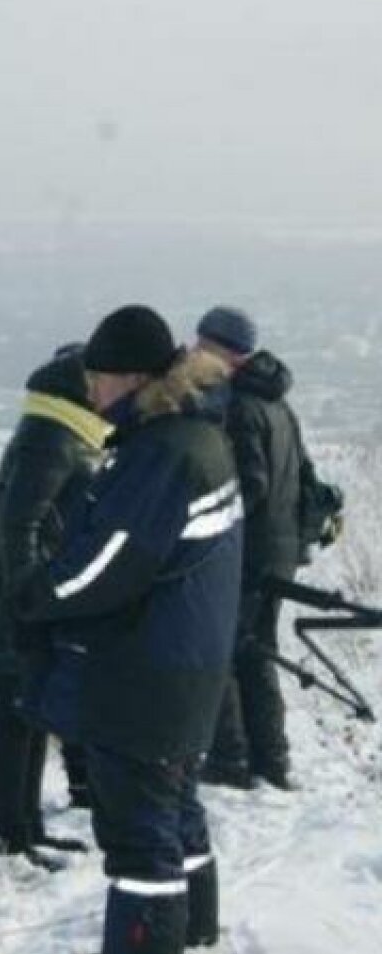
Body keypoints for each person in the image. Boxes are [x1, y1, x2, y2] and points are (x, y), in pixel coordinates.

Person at [12, 305, 243, 954]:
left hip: (148, 678)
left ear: (135, 377)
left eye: (100, 377)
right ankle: (196, 929)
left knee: (141, 836)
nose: (92, 390)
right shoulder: (196, 433)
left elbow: (103, 565)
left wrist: (33, 597)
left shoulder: (163, 455)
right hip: (187, 667)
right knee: (176, 809)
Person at [0, 344, 110, 869]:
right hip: (9, 605)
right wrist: (26, 597)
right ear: (82, 386)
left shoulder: (67, 434)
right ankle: (13, 835)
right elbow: (17, 524)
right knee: (15, 716)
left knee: (29, 715)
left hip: (23, 601)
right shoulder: (51, 438)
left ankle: (29, 828)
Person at [195, 305, 314, 790]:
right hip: (280, 550)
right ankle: (272, 760)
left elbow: (251, 485)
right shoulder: (278, 403)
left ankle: (230, 760)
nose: (196, 353)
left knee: (222, 650)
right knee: (258, 652)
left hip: (248, 552)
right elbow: (305, 478)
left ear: (224, 350)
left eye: (203, 345)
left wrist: (209, 524)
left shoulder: (239, 406)